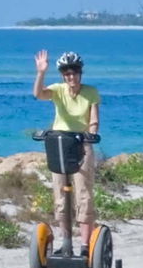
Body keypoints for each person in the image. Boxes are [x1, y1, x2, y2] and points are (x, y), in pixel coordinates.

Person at [32, 50, 101, 249]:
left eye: (74, 72)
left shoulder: (91, 92)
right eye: (67, 73)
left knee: (83, 194)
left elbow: (94, 120)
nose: (71, 77)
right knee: (60, 196)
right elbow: (38, 94)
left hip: (81, 145)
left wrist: (91, 134)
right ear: (63, 75)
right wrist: (41, 73)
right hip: (60, 145)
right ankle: (66, 242)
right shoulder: (58, 90)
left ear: (80, 73)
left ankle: (86, 245)